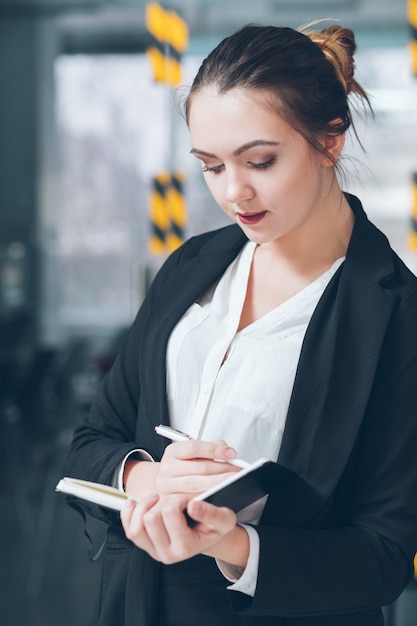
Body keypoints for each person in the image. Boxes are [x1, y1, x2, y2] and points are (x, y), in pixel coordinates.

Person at [65, 22, 417, 626]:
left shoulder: (393, 315)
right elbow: (94, 440)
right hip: (136, 607)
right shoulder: (191, 266)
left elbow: (383, 556)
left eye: (259, 161)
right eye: (211, 166)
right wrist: (146, 477)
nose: (235, 193)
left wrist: (227, 541)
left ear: (331, 140)